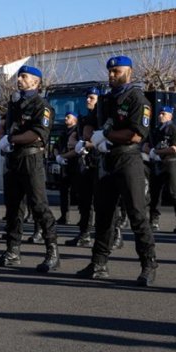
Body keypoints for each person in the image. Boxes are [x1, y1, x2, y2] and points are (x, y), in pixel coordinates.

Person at [75, 56, 158, 285]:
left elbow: (136, 135)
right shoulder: (105, 99)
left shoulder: (137, 99)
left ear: (129, 72)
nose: (112, 75)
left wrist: (106, 135)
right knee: (103, 215)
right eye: (110, 71)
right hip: (107, 160)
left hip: (128, 159)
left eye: (117, 71)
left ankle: (148, 264)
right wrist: (91, 134)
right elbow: (90, 122)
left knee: (137, 214)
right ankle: (98, 263)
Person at [0, 66, 59, 273]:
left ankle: (52, 252)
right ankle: (12, 251)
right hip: (13, 158)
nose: (19, 79)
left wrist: (10, 139)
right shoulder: (15, 103)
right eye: (19, 76)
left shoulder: (41, 105)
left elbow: (37, 134)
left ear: (36, 82)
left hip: (31, 158)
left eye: (24, 76)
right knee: (13, 208)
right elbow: (4, 124)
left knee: (39, 206)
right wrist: (2, 137)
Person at [146, 105, 176, 233]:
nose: (160, 116)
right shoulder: (155, 130)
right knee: (155, 194)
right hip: (157, 164)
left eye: (163, 114)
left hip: (169, 163)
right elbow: (146, 145)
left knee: (175, 193)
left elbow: (174, 148)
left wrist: (156, 152)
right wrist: (150, 151)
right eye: (160, 113)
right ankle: (153, 220)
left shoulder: (175, 130)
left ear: (170, 116)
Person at [67, 87, 99, 247]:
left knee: (103, 202)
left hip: (99, 163)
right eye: (87, 97)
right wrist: (78, 144)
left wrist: (86, 144)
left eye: (92, 97)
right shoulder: (84, 119)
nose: (88, 100)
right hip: (85, 163)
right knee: (84, 202)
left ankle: (115, 235)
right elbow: (73, 141)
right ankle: (84, 233)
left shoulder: (102, 117)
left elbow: (105, 140)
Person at [55, 112, 80, 226]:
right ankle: (64, 216)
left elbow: (77, 149)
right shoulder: (63, 132)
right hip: (64, 166)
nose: (65, 118)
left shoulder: (78, 132)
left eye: (68, 117)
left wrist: (63, 156)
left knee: (79, 192)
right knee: (64, 192)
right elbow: (56, 146)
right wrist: (57, 157)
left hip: (75, 164)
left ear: (75, 120)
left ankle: (83, 218)